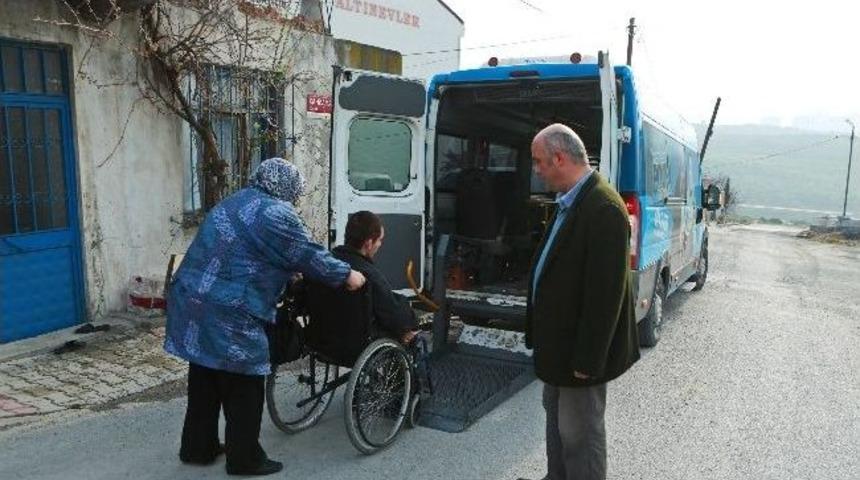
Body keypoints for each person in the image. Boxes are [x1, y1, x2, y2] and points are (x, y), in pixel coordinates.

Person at [164, 158, 366, 476]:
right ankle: (244, 459)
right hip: (228, 309)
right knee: (245, 380)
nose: (295, 200)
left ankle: (197, 447)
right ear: (287, 188)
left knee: (205, 373)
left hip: (191, 298)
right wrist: (347, 275)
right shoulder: (276, 213)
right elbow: (308, 254)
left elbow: (249, 253)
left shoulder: (235, 200)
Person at [522, 124, 640, 480]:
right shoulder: (572, 199)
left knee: (580, 433)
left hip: (579, 354)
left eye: (539, 161)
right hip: (559, 346)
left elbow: (606, 295)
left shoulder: (603, 208)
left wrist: (588, 360)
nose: (536, 169)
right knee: (556, 421)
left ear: (559, 158)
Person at [332, 210, 419, 344]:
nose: (380, 244)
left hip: (324, 341)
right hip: (357, 345)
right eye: (380, 240)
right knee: (415, 340)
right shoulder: (369, 275)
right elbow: (395, 316)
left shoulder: (328, 264)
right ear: (368, 243)